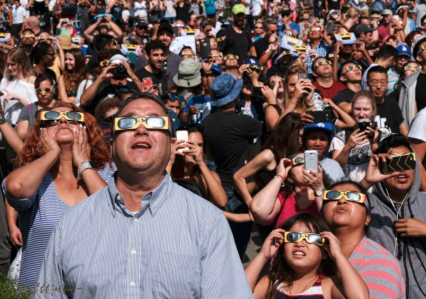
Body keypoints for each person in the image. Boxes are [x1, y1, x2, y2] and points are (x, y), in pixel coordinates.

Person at [35, 93, 253, 298]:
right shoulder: (71, 224)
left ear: (171, 145)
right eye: (127, 123)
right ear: (111, 146)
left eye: (155, 122)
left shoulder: (207, 222)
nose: (141, 129)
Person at [4, 103, 112, 290]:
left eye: (72, 118)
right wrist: (51, 154)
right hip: (37, 292)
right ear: (42, 133)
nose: (63, 120)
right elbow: (15, 187)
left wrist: (84, 165)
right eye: (52, 119)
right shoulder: (35, 178)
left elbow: (116, 213)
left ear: (85, 129)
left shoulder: (107, 173)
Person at [360, 134, 426, 299]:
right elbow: (337, 208)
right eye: (394, 163)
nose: (401, 169)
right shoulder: (366, 203)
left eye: (407, 161)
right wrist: (366, 182)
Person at [203, 73, 262, 257]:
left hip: (219, 185)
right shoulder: (244, 123)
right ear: (235, 96)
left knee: (221, 241)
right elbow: (272, 129)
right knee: (238, 243)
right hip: (240, 188)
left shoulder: (207, 122)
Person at [245, 213, 370, 299]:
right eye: (292, 237)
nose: (300, 243)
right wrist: (263, 256)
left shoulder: (329, 285)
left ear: (325, 252)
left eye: (311, 238)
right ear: (282, 250)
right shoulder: (271, 283)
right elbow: (237, 293)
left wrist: (338, 256)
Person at [320, 180, 406, 298]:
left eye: (354, 197)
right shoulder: (309, 253)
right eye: (333, 196)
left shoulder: (380, 262)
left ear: (367, 218)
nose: (342, 200)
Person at [250, 153, 325, 228]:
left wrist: (319, 189)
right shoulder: (284, 197)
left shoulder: (330, 194)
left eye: (311, 162)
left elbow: (329, 224)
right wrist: (280, 176)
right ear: (290, 177)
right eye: (299, 162)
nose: (305, 166)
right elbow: (258, 211)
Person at [330, 90, 385, 182]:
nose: (361, 114)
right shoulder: (341, 137)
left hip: (375, 192)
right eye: (357, 109)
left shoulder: (383, 136)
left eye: (366, 109)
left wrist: (374, 143)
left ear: (373, 111)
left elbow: (384, 166)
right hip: (349, 192)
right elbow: (335, 170)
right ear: (352, 109)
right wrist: (348, 146)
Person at [167, 127, 228, 208]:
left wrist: (201, 163)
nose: (196, 149)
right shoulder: (168, 174)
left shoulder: (207, 177)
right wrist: (170, 161)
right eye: (190, 144)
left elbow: (221, 202)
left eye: (200, 145)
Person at [0, 48, 38, 126]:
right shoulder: (5, 80)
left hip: (25, 127)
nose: (9, 68)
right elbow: (2, 110)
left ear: (22, 63)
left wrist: (18, 98)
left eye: (12, 64)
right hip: (7, 125)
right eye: (8, 64)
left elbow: (35, 109)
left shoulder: (33, 81)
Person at [366, 66, 408, 135]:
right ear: (367, 83)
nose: (379, 86)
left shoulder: (392, 103)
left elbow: (402, 128)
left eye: (382, 82)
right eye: (374, 82)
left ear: (387, 83)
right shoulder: (362, 105)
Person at [16, 74, 56, 140]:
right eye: (39, 90)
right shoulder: (27, 109)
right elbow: (21, 135)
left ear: (53, 89)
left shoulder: (62, 107)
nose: (43, 94)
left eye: (47, 90)